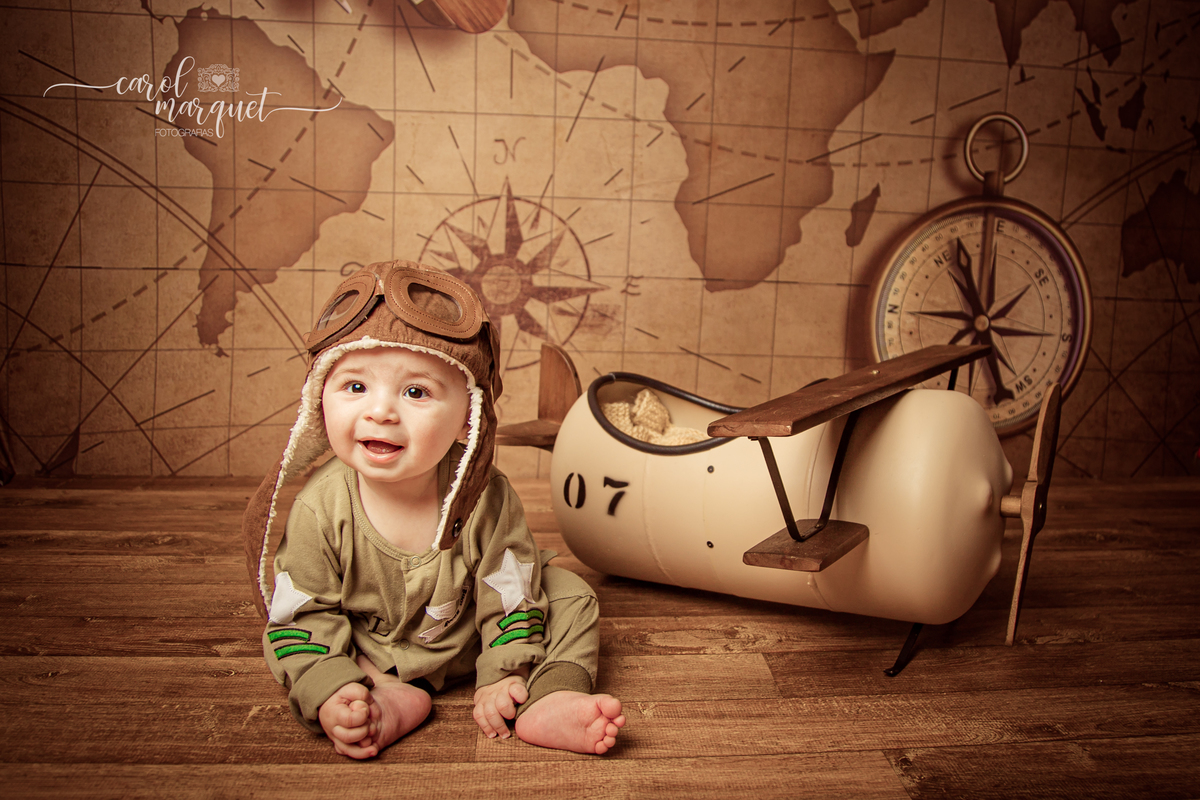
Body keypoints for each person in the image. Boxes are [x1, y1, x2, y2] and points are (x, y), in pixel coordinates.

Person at [242, 260, 624, 758]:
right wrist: (333, 683)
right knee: (291, 623)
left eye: (415, 392)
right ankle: (380, 694)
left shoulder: (484, 493)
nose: (380, 411)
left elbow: (511, 589)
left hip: (471, 640)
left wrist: (503, 672)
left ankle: (551, 694)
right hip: (367, 649)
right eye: (355, 386)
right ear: (319, 399)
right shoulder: (321, 506)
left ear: (468, 418)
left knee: (570, 593)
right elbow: (303, 611)